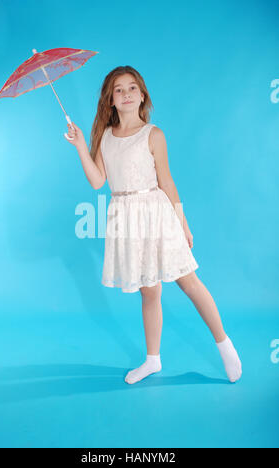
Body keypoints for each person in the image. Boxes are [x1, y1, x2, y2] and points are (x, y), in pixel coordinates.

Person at [64, 65, 242, 385]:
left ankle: (224, 344)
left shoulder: (153, 134)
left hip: (156, 212)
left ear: (142, 95)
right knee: (149, 292)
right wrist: (80, 146)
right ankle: (153, 360)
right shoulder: (105, 137)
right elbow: (97, 181)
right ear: (110, 101)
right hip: (126, 217)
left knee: (189, 282)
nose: (127, 93)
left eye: (132, 87)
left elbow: (168, 183)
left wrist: (183, 225)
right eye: (119, 89)